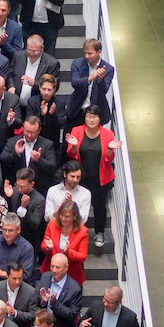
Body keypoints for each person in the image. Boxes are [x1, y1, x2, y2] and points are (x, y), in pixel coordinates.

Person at [64, 105, 120, 248]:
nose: (91, 119)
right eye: (89, 116)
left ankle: (99, 232)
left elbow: (109, 158)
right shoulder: (77, 131)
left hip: (100, 178)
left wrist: (109, 149)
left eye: (94, 116)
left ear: (100, 118)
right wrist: (75, 145)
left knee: (99, 206)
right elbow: (72, 155)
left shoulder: (107, 134)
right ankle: (74, 232)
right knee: (75, 205)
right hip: (80, 178)